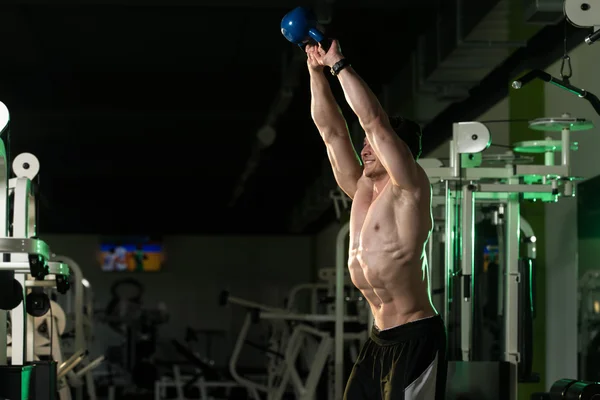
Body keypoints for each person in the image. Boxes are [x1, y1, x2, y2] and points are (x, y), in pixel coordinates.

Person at [306, 40, 447, 400]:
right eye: (364, 143)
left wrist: (338, 65)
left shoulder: (409, 189)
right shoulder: (360, 190)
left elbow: (375, 122)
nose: (364, 147)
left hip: (415, 337)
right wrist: (315, 74)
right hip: (377, 339)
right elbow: (332, 132)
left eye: (371, 143)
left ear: (398, 151)